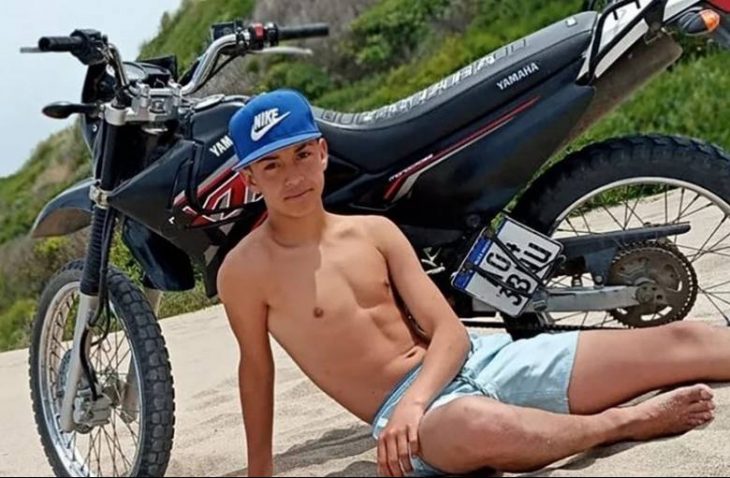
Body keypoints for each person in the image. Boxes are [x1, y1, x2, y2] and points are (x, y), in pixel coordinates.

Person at [216, 89, 727, 477]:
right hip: (416, 417)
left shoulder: (375, 233)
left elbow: (451, 333)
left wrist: (419, 397)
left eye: (302, 155)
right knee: (476, 426)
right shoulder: (243, 273)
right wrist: (260, 472)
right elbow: (256, 371)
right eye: (271, 166)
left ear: (323, 152)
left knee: (684, 342)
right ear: (249, 179)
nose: (293, 177)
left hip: (476, 362)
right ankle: (624, 423)